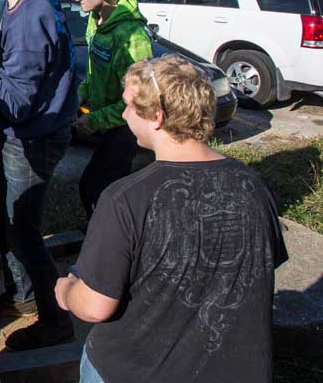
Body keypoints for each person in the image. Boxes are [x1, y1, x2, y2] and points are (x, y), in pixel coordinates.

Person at [56, 54, 288, 383]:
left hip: (134, 371)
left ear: (157, 117)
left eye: (129, 106)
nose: (123, 115)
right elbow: (260, 266)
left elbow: (94, 306)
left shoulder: (124, 199)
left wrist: (66, 290)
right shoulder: (253, 185)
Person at [0, 0, 79, 350]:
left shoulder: (33, 14)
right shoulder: (26, 2)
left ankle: (54, 322)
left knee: (25, 233)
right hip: (26, 132)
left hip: (34, 137)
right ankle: (21, 297)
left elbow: (15, 100)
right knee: (2, 215)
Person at [73, 0, 153, 219]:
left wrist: (95, 119)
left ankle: (106, 246)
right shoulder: (94, 20)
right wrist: (80, 94)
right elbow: (93, 70)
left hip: (124, 126)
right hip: (103, 123)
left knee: (93, 188)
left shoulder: (133, 36)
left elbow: (141, 99)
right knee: (110, 191)